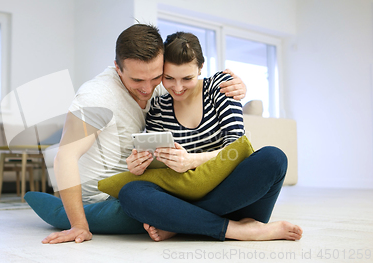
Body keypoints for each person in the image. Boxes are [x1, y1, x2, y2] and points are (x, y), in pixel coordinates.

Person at [27, 24, 247, 244]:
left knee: (184, 191)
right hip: (102, 199)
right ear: (117, 67)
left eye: (157, 77)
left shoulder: (163, 84)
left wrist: (235, 86)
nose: (148, 88)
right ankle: (233, 228)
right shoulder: (95, 98)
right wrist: (78, 225)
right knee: (151, 204)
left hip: (139, 184)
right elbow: (65, 156)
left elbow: (187, 80)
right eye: (137, 80)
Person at [119, 32, 303, 242]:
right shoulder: (158, 108)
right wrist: (139, 165)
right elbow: (157, 163)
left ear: (201, 67)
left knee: (274, 158)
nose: (177, 88)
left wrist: (191, 161)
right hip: (191, 195)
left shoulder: (220, 87)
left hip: (234, 195)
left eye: (187, 78)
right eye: (169, 78)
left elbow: (237, 150)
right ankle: (239, 230)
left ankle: (182, 224)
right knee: (131, 192)